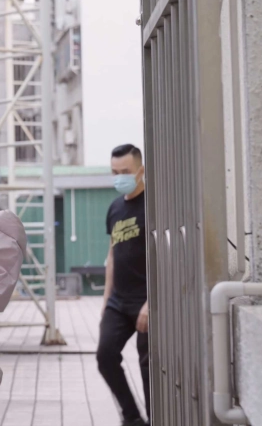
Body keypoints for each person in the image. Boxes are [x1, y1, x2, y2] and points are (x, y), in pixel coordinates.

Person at [97, 144, 150, 426]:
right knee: (105, 356)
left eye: (125, 172)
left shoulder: (155, 205)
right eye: (114, 172)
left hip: (147, 300)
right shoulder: (115, 208)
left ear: (140, 171)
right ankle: (132, 418)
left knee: (149, 364)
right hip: (119, 300)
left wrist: (152, 302)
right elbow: (112, 256)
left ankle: (157, 417)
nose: (119, 178)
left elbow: (167, 257)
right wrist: (106, 302)